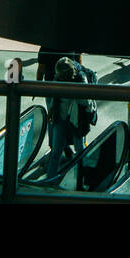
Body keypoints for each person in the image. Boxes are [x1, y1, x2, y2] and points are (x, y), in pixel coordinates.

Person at [46, 54, 97, 182]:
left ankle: (82, 178)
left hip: (77, 119)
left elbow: (87, 102)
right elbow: (53, 99)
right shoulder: (59, 79)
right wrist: (51, 112)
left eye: (63, 77)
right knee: (57, 151)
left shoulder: (81, 80)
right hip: (64, 118)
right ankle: (50, 180)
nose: (61, 79)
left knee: (79, 151)